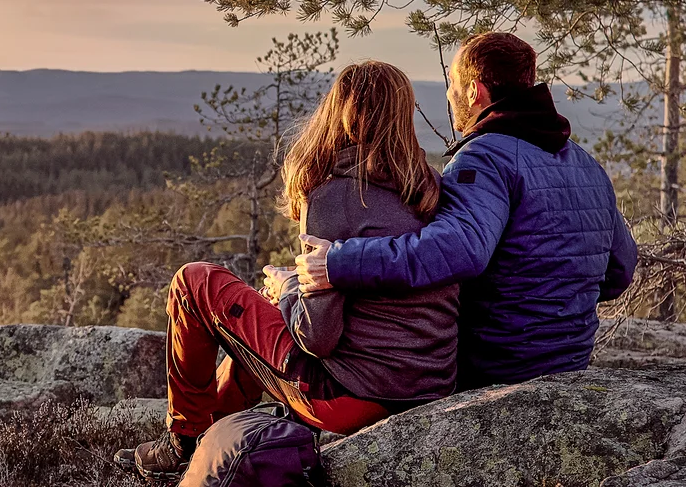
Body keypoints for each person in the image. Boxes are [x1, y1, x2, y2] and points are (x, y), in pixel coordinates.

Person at [116, 61, 460, 480]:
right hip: (428, 386)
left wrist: (291, 285)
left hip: (349, 398)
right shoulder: (428, 188)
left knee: (195, 281)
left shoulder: (335, 195)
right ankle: (206, 435)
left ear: (338, 112)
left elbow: (317, 338)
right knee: (264, 312)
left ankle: (183, 441)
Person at [295, 32, 637, 393]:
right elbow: (620, 269)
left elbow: (459, 249)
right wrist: (559, 302)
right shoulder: (585, 163)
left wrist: (339, 263)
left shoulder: (484, 158)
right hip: (571, 363)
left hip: (498, 369)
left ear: (474, 91)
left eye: (453, 83)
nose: (448, 94)